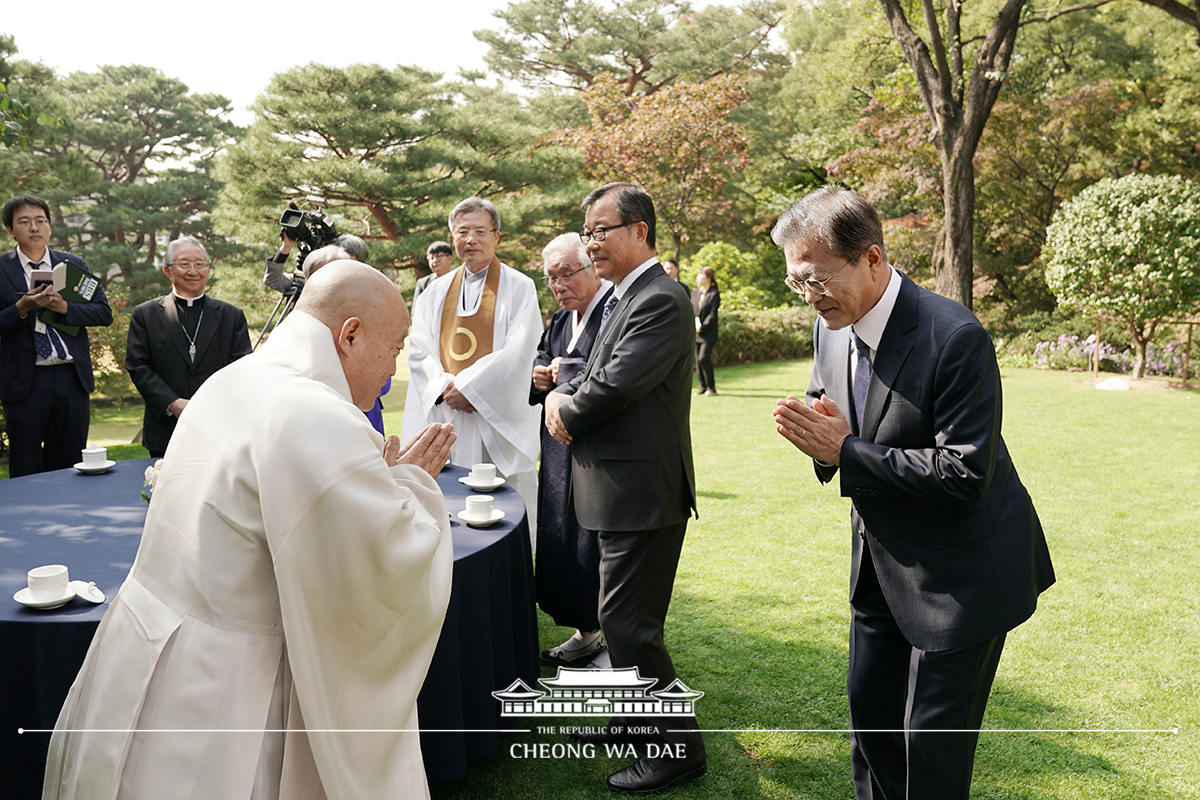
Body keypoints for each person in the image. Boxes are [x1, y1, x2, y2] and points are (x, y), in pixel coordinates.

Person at [44, 260, 457, 800]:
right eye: (395, 345)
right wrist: (412, 489)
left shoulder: (234, 377)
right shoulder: (316, 415)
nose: (394, 364)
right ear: (349, 334)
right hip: (232, 682)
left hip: (150, 635)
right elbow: (378, 565)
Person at [770, 186, 1055, 800]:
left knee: (930, 757)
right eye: (798, 283)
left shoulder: (952, 336)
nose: (809, 297)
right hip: (878, 566)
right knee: (871, 733)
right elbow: (849, 423)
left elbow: (962, 472)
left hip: (961, 578)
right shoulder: (831, 329)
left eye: (817, 280)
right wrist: (822, 440)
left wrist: (845, 452)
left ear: (872, 258)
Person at [544, 183, 706, 793]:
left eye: (600, 230)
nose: (591, 243)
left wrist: (563, 410)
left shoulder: (661, 298)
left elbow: (614, 384)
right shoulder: (623, 295)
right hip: (621, 489)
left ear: (640, 230)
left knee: (630, 625)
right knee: (621, 619)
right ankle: (631, 721)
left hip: (642, 492)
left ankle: (677, 752)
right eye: (586, 232)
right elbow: (590, 367)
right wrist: (565, 388)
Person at [402, 197, 542, 536]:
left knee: (498, 504)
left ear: (497, 236)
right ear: (452, 239)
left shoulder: (520, 287)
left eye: (480, 231)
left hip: (493, 417)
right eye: (462, 231)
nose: (471, 239)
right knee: (447, 506)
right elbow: (418, 347)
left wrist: (471, 389)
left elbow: (520, 351)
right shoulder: (434, 292)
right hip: (446, 413)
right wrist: (443, 387)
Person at [529, 233, 613, 669]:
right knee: (561, 537)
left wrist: (569, 372)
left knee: (594, 543)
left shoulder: (615, 311)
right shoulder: (562, 320)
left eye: (567, 273)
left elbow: (612, 369)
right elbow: (544, 356)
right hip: (558, 452)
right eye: (551, 278)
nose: (559, 285)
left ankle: (608, 635)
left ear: (590, 267)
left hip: (596, 453)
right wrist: (540, 375)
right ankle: (585, 630)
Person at [0, 194, 112, 477]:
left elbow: (103, 313)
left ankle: (72, 517)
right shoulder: (1, 269)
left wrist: (64, 308)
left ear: (49, 226)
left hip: (71, 378)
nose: (34, 228)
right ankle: (29, 521)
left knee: (72, 462)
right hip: (25, 380)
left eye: (41, 221)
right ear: (10, 230)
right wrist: (21, 308)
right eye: (24, 222)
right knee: (25, 464)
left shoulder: (72, 266)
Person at [125, 237, 252, 457]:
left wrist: (210, 404)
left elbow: (241, 367)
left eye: (200, 264)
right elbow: (139, 367)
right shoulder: (145, 315)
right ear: (168, 271)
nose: (193, 271)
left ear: (208, 270)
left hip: (219, 425)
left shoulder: (231, 315)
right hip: (166, 428)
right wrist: (173, 403)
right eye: (184, 264)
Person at [691, 266, 720, 396]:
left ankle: (712, 388)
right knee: (697, 360)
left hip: (708, 333)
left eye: (700, 276)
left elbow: (713, 314)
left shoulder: (714, 293)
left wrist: (702, 327)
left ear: (708, 278)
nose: (697, 278)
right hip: (696, 332)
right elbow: (692, 310)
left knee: (704, 358)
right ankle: (702, 387)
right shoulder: (695, 292)